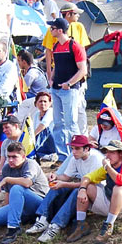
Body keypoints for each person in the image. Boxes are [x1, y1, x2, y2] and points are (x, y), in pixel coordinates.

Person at [66, 140, 122, 244]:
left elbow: (120, 180)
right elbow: (87, 177)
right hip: (114, 205)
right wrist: (82, 189)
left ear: (120, 154)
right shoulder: (108, 167)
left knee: (118, 188)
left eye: (112, 152)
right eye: (106, 152)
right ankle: (81, 224)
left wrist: (107, 167)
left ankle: (109, 225)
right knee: (88, 187)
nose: (108, 155)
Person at [26, 135, 103, 242]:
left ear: (87, 149)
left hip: (97, 192)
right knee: (57, 187)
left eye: (77, 148)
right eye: (72, 148)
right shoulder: (75, 158)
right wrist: (56, 177)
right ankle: (43, 218)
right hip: (84, 187)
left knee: (76, 191)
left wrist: (63, 184)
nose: (74, 151)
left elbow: (89, 184)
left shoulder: (95, 159)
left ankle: (56, 225)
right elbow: (66, 177)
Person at [47, 17, 89, 165]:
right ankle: (62, 156)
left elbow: (83, 70)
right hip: (57, 88)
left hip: (69, 90)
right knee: (58, 123)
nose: (50, 30)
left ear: (60, 30)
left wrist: (69, 83)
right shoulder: (56, 46)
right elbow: (57, 66)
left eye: (52, 28)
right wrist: (51, 78)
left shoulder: (75, 46)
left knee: (71, 123)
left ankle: (78, 154)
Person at [42, 2, 88, 86]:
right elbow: (48, 51)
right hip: (58, 70)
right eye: (76, 13)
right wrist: (49, 74)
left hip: (76, 69)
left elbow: (83, 49)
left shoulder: (79, 27)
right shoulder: (53, 29)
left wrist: (83, 72)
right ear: (68, 14)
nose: (78, 15)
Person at [31, 91, 56, 160]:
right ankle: (45, 156)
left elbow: (43, 125)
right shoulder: (36, 114)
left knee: (44, 130)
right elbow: (34, 128)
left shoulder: (51, 111)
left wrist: (31, 138)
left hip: (53, 142)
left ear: (50, 103)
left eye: (45, 101)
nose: (43, 104)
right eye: (40, 101)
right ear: (36, 103)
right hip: (42, 143)